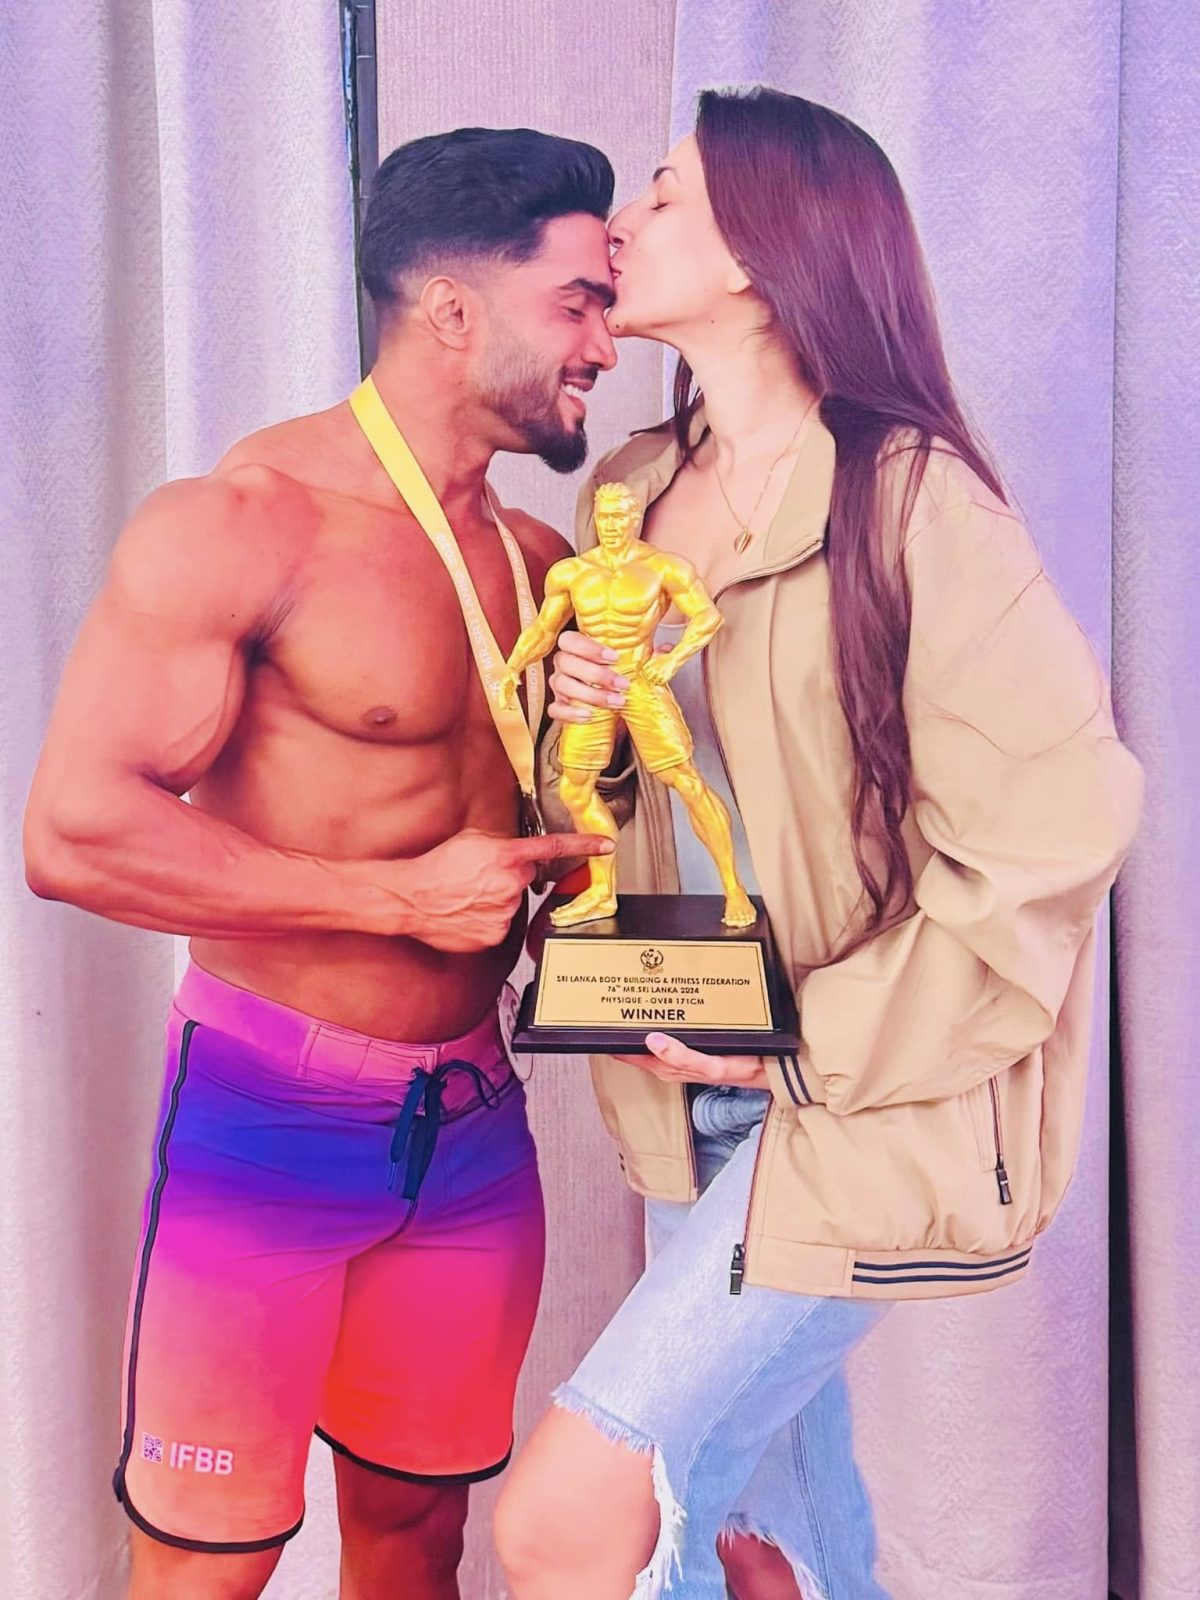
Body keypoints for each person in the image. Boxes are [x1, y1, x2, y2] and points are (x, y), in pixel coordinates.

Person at [494, 88, 1144, 1600]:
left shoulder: (912, 498)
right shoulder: (629, 492)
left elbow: (1054, 827)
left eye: (663, 194)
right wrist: (580, 722)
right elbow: (613, 816)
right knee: (760, 1538)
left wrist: (802, 1034)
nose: (620, 226)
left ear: (760, 250)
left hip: (855, 1097)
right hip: (684, 1082)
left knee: (571, 1518)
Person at [23, 125, 618, 1600]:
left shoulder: (540, 561)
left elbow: (539, 863)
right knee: (207, 1566)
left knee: (418, 1538)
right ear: (453, 310)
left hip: (472, 1124)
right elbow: (74, 830)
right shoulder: (244, 524)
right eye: (577, 305)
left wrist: (598, 841)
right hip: (265, 1123)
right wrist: (394, 897)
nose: (606, 346)